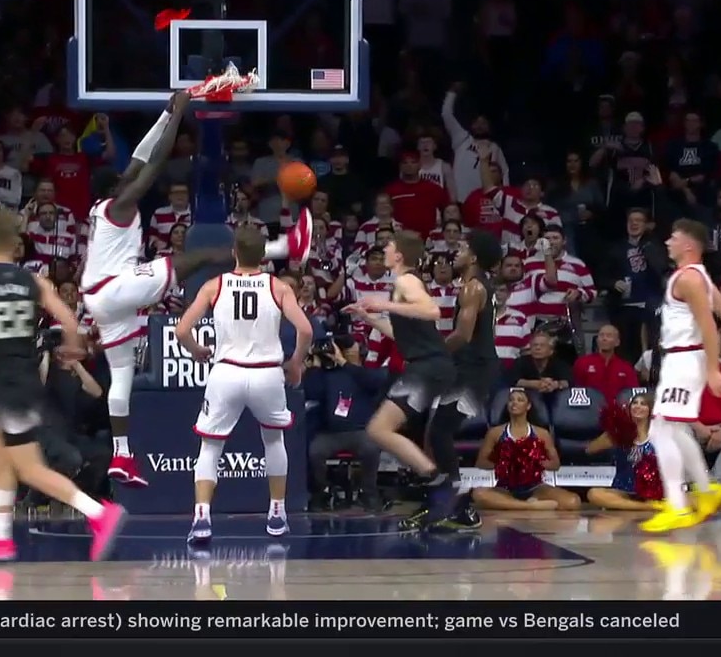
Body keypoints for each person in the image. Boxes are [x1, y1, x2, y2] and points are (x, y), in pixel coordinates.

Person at [79, 92, 313, 486]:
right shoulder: (122, 204)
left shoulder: (102, 207)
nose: (127, 175)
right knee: (198, 256)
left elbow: (138, 158)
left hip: (99, 296)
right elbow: (152, 164)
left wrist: (166, 113)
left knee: (121, 375)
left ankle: (122, 455)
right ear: (117, 185)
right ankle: (284, 246)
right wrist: (179, 118)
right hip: (115, 286)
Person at [0, 211, 126, 562]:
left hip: (5, 382)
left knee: (29, 467)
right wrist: (72, 349)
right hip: (28, 379)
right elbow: (70, 322)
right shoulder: (34, 281)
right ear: (15, 244)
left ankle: (98, 513)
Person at [175, 226, 312, 543]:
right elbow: (305, 330)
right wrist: (296, 362)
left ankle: (202, 518)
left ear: (234, 252)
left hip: (227, 372)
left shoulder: (215, 285)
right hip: (266, 373)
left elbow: (182, 330)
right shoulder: (278, 287)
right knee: (273, 441)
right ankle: (277, 513)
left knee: (210, 446)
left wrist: (196, 350)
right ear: (264, 255)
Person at [641, 219, 721, 533]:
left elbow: (710, 325)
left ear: (688, 245)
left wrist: (713, 369)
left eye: (673, 237)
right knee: (672, 427)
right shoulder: (700, 276)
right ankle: (705, 489)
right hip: (685, 358)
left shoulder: (688, 278)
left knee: (661, 430)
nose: (667, 242)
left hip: (685, 358)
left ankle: (678, 504)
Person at [342, 231, 456, 526]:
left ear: (400, 255)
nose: (385, 250)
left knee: (379, 429)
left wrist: (383, 305)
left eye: (389, 247)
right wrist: (368, 317)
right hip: (426, 366)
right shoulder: (402, 284)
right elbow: (402, 336)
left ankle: (440, 484)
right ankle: (437, 486)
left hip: (428, 367)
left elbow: (432, 311)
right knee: (380, 430)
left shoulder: (407, 281)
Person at [404, 229, 505, 531]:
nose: (456, 252)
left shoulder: (472, 288)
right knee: (435, 432)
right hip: (471, 368)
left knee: (440, 433)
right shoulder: (478, 285)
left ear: (473, 257)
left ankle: (453, 503)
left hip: (474, 370)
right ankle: (454, 503)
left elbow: (462, 335)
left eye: (462, 248)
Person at [470, 388, 581, 511]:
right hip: (504, 488)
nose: (514, 403)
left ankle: (512, 505)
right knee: (478, 494)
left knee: (573, 502)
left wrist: (533, 462)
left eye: (520, 400)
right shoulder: (495, 433)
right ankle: (530, 506)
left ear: (528, 406)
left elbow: (555, 464)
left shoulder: (541, 433)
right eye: (511, 400)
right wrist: (504, 463)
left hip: (536, 488)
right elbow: (480, 462)